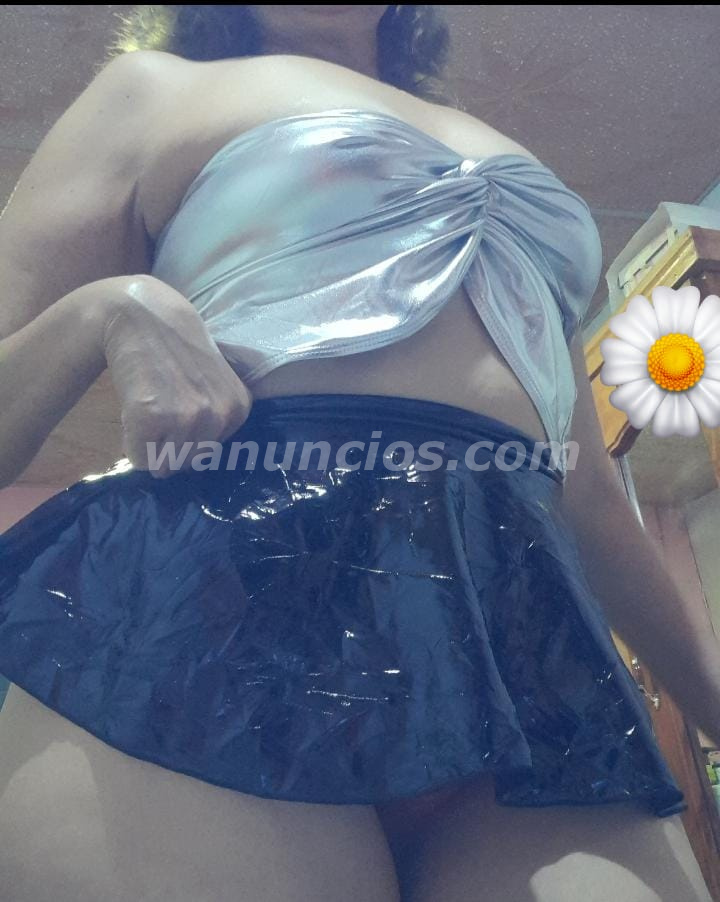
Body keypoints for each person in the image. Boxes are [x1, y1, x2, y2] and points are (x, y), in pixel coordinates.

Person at [0, 6, 717, 901]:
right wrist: (104, 310)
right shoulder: (153, 90)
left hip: (522, 639)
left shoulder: (511, 152)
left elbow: (588, 495)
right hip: (215, 630)